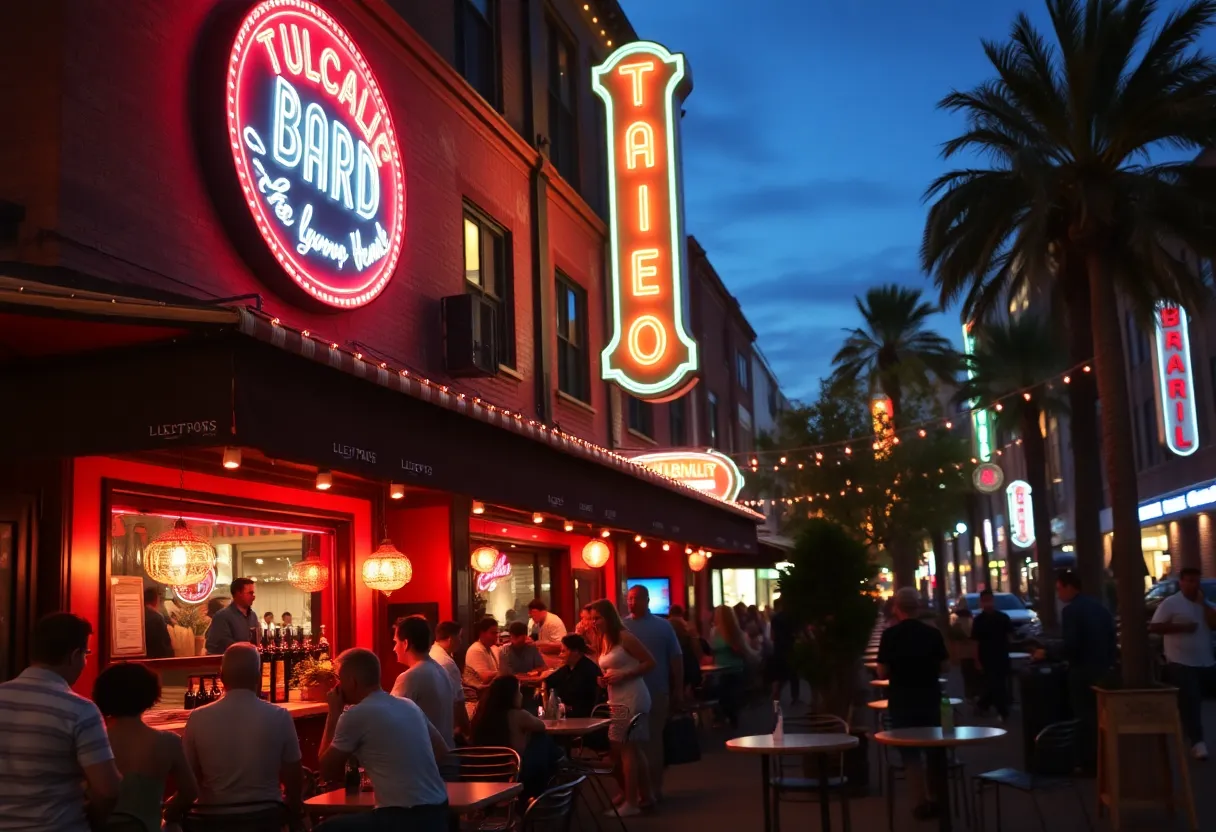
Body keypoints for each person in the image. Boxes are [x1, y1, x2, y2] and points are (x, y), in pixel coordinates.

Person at [0, 613, 121, 831]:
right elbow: (108, 788)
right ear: (74, 656)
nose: (85, 661)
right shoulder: (79, 710)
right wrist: (94, 820)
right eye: (86, 654)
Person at [318, 648, 450, 831]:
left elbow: (326, 771)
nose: (335, 687)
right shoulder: (408, 705)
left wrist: (333, 714)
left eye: (338, 679)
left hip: (401, 817)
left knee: (325, 829)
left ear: (352, 681)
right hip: (438, 812)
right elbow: (442, 751)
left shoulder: (356, 715)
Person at [184, 643, 303, 826]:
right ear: (257, 677)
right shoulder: (279, 716)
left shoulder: (197, 718)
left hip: (213, 821)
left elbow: (188, 780)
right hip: (266, 818)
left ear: (222, 677)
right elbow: (294, 779)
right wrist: (294, 816)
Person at [93, 662, 198, 830]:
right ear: (150, 695)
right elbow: (190, 792)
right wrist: (168, 812)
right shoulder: (168, 742)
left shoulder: (92, 743)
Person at [877, 587, 950, 822]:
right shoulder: (932, 633)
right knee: (934, 748)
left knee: (910, 753)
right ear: (918, 607)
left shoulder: (890, 635)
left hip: (902, 699)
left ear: (897, 609)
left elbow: (882, 670)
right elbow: (946, 666)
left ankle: (920, 802)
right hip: (929, 697)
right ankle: (938, 798)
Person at [589, 598, 655, 817]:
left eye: (597, 618)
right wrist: (604, 679)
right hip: (616, 697)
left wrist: (624, 674)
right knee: (632, 749)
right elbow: (612, 667)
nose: (593, 622)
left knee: (627, 749)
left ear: (608, 617)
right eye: (592, 618)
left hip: (632, 696)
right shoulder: (604, 639)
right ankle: (645, 795)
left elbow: (649, 662)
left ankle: (631, 802)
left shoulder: (625, 637)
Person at [624, 583, 683, 803]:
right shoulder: (622, 626)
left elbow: (676, 659)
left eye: (636, 598)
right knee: (632, 745)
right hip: (629, 694)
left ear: (647, 600)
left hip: (657, 691)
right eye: (629, 598)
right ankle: (639, 791)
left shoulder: (663, 627)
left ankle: (654, 790)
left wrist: (678, 688)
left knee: (653, 743)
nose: (631, 602)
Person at [1150, 566, 1216, 760]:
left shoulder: (1205, 604)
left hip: (1206, 661)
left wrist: (1203, 605)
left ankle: (1190, 734)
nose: (1192, 585)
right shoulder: (1171, 604)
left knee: (1199, 699)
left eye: (1195, 581)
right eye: (1188, 581)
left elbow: (1213, 625)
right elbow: (1155, 626)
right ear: (1181, 582)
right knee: (1191, 700)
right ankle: (1197, 742)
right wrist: (1181, 627)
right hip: (1180, 661)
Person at [1056, 569, 1116, 773]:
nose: (1058, 594)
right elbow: (1111, 639)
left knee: (1083, 716)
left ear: (1069, 587)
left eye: (1059, 589)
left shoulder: (1071, 611)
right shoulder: (1100, 608)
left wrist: (1050, 652)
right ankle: (1105, 758)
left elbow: (1071, 645)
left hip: (1081, 671)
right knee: (1100, 715)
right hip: (1102, 668)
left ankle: (1088, 762)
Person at [469, 676, 560, 798]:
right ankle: (557, 774)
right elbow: (541, 726)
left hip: (482, 773)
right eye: (519, 691)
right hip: (513, 773)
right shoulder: (518, 715)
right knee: (541, 738)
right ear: (511, 695)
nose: (521, 696)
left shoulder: (481, 714)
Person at [390, 616, 457, 747]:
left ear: (406, 643)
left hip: (426, 760)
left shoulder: (410, 677)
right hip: (448, 755)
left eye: (396, 642)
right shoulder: (441, 670)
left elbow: (390, 719)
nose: (394, 648)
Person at [970, 589, 1013, 721]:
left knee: (996, 684)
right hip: (986, 656)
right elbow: (975, 642)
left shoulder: (1003, 618)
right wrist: (976, 660)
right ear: (981, 602)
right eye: (985, 600)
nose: (988, 603)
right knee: (996, 684)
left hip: (1001, 654)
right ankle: (1002, 711)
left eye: (990, 600)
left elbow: (1009, 636)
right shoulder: (978, 621)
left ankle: (983, 704)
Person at [544, 634, 604, 718]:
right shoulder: (567, 668)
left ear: (575, 651)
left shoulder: (589, 670)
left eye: (563, 651)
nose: (560, 655)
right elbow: (549, 681)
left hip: (585, 719)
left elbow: (587, 702)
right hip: (565, 715)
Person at [710, 604, 750, 729]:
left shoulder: (734, 631)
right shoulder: (714, 631)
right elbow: (712, 649)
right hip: (719, 668)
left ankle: (732, 719)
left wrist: (735, 648)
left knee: (730, 695)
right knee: (723, 695)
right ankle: (727, 718)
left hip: (733, 667)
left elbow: (740, 650)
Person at [431, 621, 470, 739]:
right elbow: (457, 701)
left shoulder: (433, 654)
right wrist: (467, 730)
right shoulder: (446, 663)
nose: (461, 641)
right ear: (450, 639)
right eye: (459, 636)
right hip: (448, 724)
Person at [204, 578, 261, 655]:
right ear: (238, 593)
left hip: (250, 663)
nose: (253, 597)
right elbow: (221, 645)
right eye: (250, 593)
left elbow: (257, 642)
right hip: (230, 664)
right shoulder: (222, 616)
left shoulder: (253, 616)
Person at [767, 597, 800, 705]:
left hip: (778, 648)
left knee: (779, 674)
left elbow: (772, 636)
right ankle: (795, 696)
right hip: (789, 647)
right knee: (793, 674)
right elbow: (796, 633)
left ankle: (776, 695)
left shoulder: (774, 618)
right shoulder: (792, 618)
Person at [463, 618, 501, 693]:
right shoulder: (476, 649)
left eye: (497, 633)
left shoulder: (493, 648)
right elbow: (485, 677)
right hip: (479, 696)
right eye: (493, 633)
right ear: (482, 633)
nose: (496, 636)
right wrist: (504, 672)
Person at [143, 587, 174, 660]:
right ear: (155, 600)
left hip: (142, 657)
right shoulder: (157, 617)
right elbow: (165, 642)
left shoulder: (139, 614)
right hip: (156, 658)